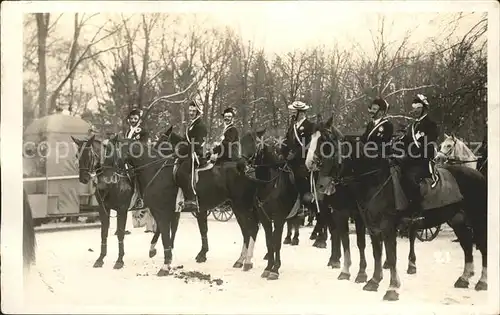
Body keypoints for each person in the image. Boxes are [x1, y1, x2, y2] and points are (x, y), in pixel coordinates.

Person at [397, 94, 439, 224]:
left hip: (423, 160)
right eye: (413, 108)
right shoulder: (413, 125)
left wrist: (409, 155)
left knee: (410, 178)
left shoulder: (430, 124)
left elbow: (429, 144)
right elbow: (408, 141)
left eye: (417, 108)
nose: (414, 111)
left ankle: (416, 210)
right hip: (410, 159)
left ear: (424, 108)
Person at [280, 100, 315, 207]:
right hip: (290, 159)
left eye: (294, 112)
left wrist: (295, 154)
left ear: (302, 113)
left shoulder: (310, 126)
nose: (292, 114)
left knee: (299, 177)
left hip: (303, 159)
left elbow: (308, 144)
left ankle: (304, 203)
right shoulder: (293, 126)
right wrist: (282, 152)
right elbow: (286, 140)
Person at [177, 100, 208, 212]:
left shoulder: (200, 125)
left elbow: (198, 143)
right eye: (190, 110)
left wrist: (185, 149)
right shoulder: (192, 124)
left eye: (193, 111)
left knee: (182, 172)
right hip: (190, 152)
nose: (191, 113)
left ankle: (191, 199)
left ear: (198, 111)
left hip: (197, 154)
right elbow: (187, 139)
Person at [125, 108, 148, 209]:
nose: (133, 120)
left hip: (139, 158)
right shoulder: (128, 131)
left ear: (139, 119)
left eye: (135, 118)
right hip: (128, 158)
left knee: (138, 175)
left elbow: (143, 145)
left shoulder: (142, 131)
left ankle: (141, 198)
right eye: (131, 118)